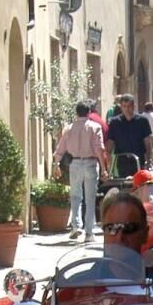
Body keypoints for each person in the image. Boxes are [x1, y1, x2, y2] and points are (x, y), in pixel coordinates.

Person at [53, 102, 108, 241]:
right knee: (90, 199)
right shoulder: (95, 127)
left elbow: (60, 148)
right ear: (89, 112)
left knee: (75, 196)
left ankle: (76, 226)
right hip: (90, 163)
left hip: (75, 163)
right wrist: (104, 168)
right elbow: (99, 148)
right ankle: (89, 233)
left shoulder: (69, 129)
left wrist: (56, 164)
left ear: (76, 113)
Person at [106, 94, 153, 177]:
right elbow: (110, 142)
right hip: (122, 160)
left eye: (129, 106)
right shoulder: (115, 123)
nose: (127, 109)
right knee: (124, 186)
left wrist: (148, 160)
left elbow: (147, 142)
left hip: (138, 160)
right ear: (121, 107)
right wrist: (108, 160)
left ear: (133, 106)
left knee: (139, 186)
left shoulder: (142, 121)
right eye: (124, 106)